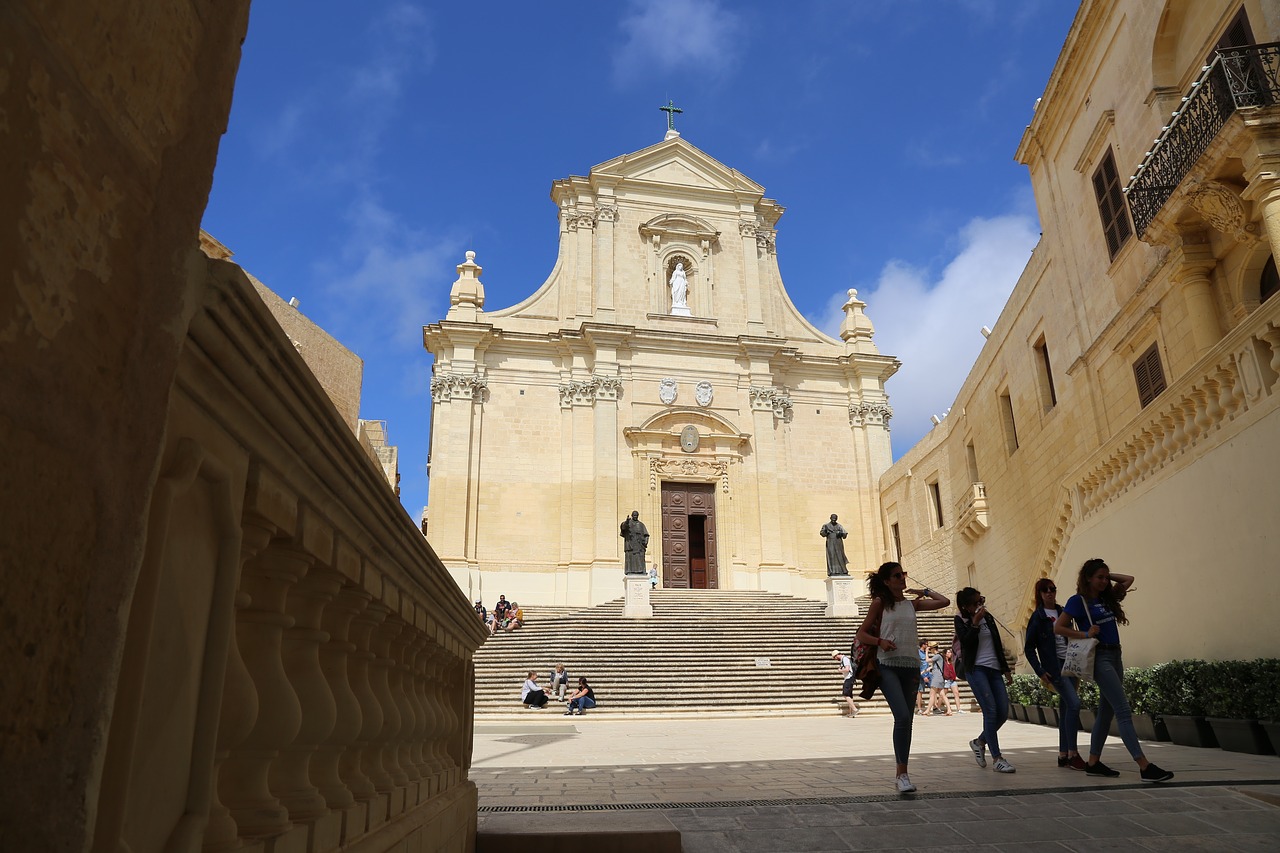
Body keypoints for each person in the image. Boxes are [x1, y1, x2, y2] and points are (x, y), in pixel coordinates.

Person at [1055, 559, 1174, 782]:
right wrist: (1086, 634)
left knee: (1107, 711)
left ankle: (1093, 762)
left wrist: (1108, 578)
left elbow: (1129, 580)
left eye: (1105, 577)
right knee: (1123, 709)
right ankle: (1144, 766)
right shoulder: (1078, 601)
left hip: (1115, 655)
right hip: (1100, 657)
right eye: (1098, 577)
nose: (1103, 581)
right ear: (1088, 577)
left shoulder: (1106, 597)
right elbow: (1058, 627)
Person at [855, 561, 950, 793]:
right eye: (897, 576)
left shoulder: (910, 604)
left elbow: (944, 602)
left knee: (908, 720)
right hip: (887, 665)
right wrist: (880, 642)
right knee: (902, 716)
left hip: (911, 665)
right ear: (887, 581)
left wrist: (924, 591)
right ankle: (902, 775)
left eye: (903, 574)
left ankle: (903, 772)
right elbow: (862, 633)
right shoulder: (879, 603)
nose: (902, 579)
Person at [1024, 577, 1085, 770]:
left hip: (1070, 663)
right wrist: (1040, 670)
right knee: (1074, 704)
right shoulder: (1038, 617)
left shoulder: (1062, 611)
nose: (1050, 592)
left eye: (1052, 589)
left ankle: (1063, 754)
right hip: (1055, 667)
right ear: (1040, 594)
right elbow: (1029, 648)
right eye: (1045, 590)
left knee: (1067, 708)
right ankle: (1073, 753)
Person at [955, 587, 1016, 773]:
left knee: (1003, 712)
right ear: (966, 607)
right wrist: (974, 623)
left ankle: (979, 741)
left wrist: (1005, 669)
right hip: (976, 669)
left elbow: (997, 643)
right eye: (975, 603)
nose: (979, 605)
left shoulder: (988, 618)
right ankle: (997, 758)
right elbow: (966, 643)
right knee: (990, 711)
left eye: (980, 600)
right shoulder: (961, 619)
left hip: (994, 669)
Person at [831, 649, 859, 717]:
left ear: (836, 655)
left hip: (849, 678)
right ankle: (851, 712)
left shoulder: (845, 659)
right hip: (850, 678)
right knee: (849, 695)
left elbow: (847, 669)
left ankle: (854, 709)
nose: (835, 659)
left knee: (845, 694)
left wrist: (840, 670)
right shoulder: (844, 659)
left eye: (834, 658)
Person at [925, 644, 951, 715]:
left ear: (933, 649)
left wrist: (926, 652)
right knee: (942, 694)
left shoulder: (937, 656)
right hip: (940, 677)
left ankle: (928, 710)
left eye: (930, 649)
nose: (930, 651)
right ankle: (949, 710)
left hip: (937, 677)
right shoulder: (940, 656)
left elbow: (927, 660)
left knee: (932, 694)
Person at [943, 648, 965, 713]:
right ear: (945, 654)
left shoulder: (952, 661)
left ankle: (958, 709)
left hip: (953, 680)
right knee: (943, 694)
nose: (950, 654)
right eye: (948, 652)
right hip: (946, 680)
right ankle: (937, 707)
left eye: (950, 652)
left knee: (956, 693)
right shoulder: (943, 662)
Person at [915, 640, 930, 715]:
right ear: (922, 645)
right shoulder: (919, 653)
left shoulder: (925, 653)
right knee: (920, 691)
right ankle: (919, 708)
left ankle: (935, 706)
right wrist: (923, 675)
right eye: (926, 644)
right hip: (922, 674)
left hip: (927, 673)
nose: (927, 646)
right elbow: (919, 664)